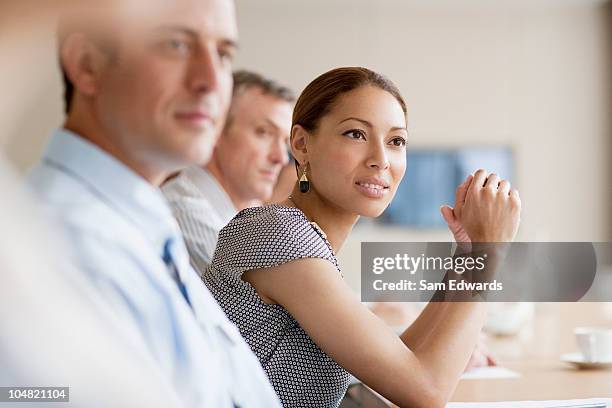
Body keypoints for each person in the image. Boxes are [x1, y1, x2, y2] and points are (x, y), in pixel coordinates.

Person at [203, 67, 521, 408]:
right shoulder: (277, 234)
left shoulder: (299, 236)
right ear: (300, 143)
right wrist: (489, 254)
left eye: (396, 141)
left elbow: (404, 359)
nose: (380, 160)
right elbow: (427, 392)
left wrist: (467, 256)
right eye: (355, 134)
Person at [26, 1, 281, 407]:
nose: (211, 80)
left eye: (224, 53)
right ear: (87, 64)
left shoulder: (144, 227)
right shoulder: (52, 246)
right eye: (176, 45)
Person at [163, 70, 293, 270]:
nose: (281, 158)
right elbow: (279, 299)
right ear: (215, 131)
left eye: (285, 141)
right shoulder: (184, 209)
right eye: (264, 133)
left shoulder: (253, 220)